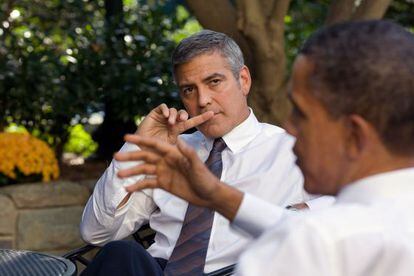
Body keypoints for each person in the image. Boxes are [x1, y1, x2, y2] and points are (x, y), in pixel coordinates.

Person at [115, 20, 414, 275]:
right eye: (189, 89)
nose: (290, 128)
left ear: (354, 134)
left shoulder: (306, 248)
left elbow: (311, 237)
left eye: (301, 113)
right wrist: (218, 196)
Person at [80, 30, 331, 275]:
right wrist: (139, 145)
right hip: (160, 269)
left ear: (243, 80)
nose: (202, 100)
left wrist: (301, 213)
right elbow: (96, 232)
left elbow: (358, 211)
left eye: (214, 82)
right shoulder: (171, 150)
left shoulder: (291, 149)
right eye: (189, 89)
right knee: (121, 253)